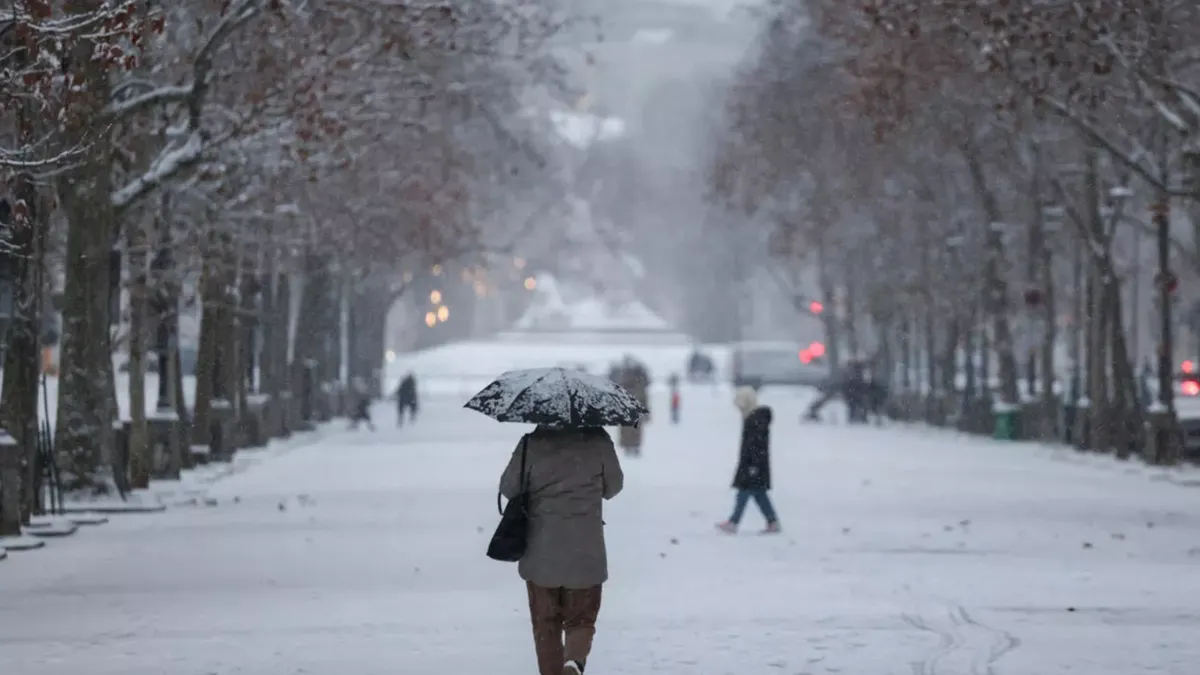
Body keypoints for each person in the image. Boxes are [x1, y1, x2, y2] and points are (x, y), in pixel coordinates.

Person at [500, 425, 625, 675]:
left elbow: (509, 488)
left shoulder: (532, 442)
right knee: (581, 619)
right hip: (585, 550)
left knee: (546, 624)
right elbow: (614, 487)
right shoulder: (598, 440)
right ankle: (574, 662)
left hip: (541, 550)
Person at [716, 386, 780, 534]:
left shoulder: (756, 420)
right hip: (752, 464)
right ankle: (772, 521)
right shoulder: (753, 418)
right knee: (759, 494)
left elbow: (756, 446)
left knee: (744, 493)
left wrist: (753, 465)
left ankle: (733, 522)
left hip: (753, 465)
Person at [616, 355, 650, 457]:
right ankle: (630, 447)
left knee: (634, 429)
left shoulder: (638, 381)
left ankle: (633, 447)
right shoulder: (632, 380)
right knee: (630, 429)